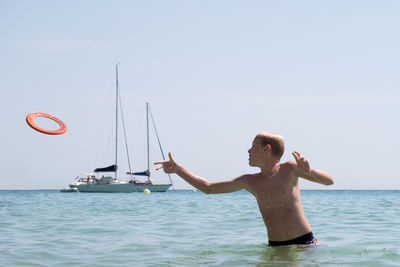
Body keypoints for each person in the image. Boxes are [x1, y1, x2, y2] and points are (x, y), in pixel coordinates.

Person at [155, 132, 334, 246]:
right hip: (276, 247)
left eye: (253, 147)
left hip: (305, 244)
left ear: (267, 149)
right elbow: (208, 188)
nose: (248, 151)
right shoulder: (249, 181)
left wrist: (309, 171)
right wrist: (178, 170)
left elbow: (329, 181)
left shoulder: (289, 169)